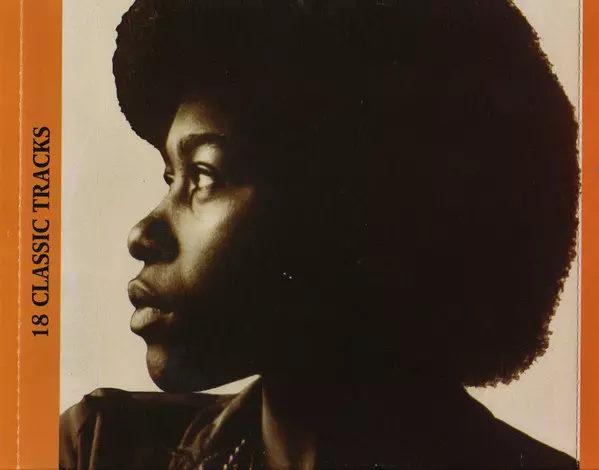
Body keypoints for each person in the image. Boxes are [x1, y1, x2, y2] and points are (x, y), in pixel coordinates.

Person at [59, 0, 580, 468]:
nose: (142, 234)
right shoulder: (100, 449)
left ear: (360, 203)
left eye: (205, 175)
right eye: (170, 178)